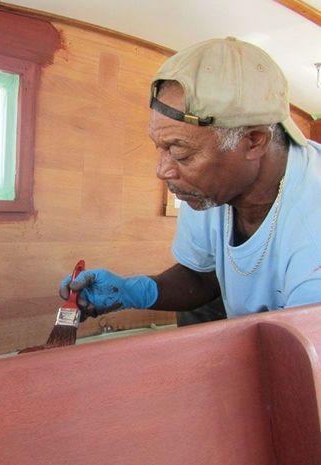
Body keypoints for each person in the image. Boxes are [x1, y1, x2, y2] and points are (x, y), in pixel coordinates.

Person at [60, 37, 321, 322]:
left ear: (254, 141)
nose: (163, 171)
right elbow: (202, 276)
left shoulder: (312, 232)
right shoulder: (209, 191)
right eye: (160, 148)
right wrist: (133, 291)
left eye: (180, 153)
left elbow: (303, 354)